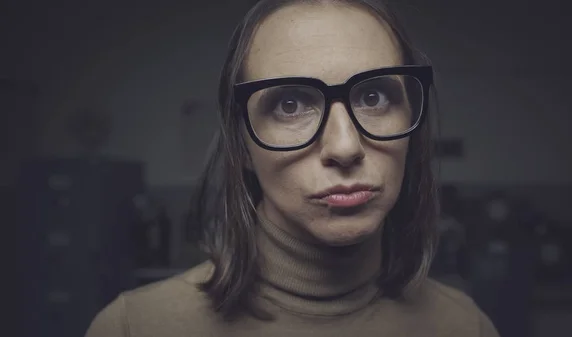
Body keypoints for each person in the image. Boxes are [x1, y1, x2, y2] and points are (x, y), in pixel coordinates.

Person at [85, 0, 500, 336]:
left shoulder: (465, 326)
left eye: (374, 97)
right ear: (241, 146)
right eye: (290, 105)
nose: (344, 147)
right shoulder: (134, 328)